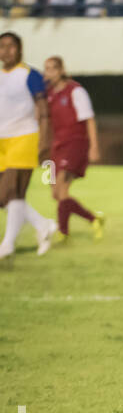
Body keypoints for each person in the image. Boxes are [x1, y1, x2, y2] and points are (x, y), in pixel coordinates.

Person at [0, 31, 57, 261]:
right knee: (4, 197)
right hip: (2, 140)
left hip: (24, 137)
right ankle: (43, 225)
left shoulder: (30, 75)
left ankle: (8, 244)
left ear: (20, 49)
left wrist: (44, 139)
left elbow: (43, 109)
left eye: (11, 46)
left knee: (12, 191)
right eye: (2, 46)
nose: (6, 50)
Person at [42, 55, 104, 241]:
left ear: (61, 70)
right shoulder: (48, 94)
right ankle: (93, 219)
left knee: (61, 189)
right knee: (56, 193)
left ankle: (63, 232)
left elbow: (89, 119)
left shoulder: (75, 91)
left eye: (52, 68)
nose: (49, 73)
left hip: (75, 143)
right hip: (57, 145)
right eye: (46, 69)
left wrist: (94, 146)